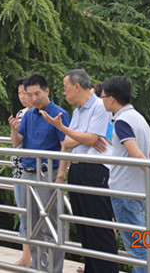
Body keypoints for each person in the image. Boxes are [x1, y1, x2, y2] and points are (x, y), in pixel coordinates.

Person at [44, 69, 118, 273]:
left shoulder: (100, 107)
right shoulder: (77, 112)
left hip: (95, 170)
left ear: (77, 86)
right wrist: (61, 175)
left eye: (65, 88)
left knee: (99, 226)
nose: (64, 92)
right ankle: (91, 268)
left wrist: (65, 130)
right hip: (77, 168)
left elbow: (91, 138)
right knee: (84, 226)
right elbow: (67, 143)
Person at [100, 76, 150, 273]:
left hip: (124, 191)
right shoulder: (139, 118)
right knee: (140, 243)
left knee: (137, 249)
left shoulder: (122, 121)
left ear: (111, 99)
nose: (102, 101)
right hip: (139, 190)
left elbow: (137, 155)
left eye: (102, 97)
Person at [10, 73, 68, 273]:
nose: (33, 98)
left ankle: (53, 269)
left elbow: (66, 146)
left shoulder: (59, 114)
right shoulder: (28, 115)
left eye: (37, 94)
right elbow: (17, 142)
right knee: (31, 225)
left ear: (47, 91)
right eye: (29, 95)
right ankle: (37, 267)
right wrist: (13, 130)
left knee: (50, 224)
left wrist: (61, 176)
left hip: (47, 173)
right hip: (27, 172)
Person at [8, 77, 32, 267]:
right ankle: (26, 256)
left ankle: (36, 255)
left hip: (32, 169)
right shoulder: (20, 113)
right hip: (18, 169)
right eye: (19, 93)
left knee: (35, 214)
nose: (22, 96)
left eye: (25, 93)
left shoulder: (39, 113)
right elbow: (16, 142)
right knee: (23, 212)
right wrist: (13, 129)